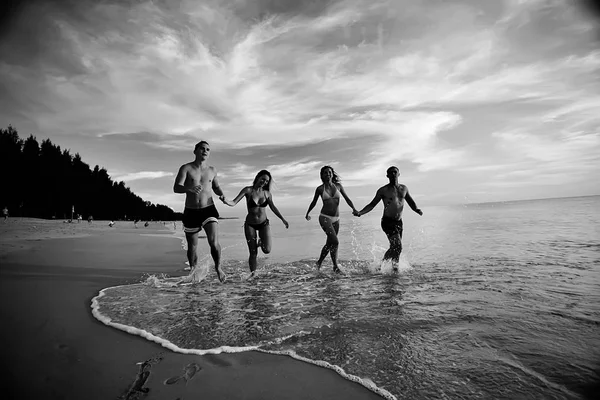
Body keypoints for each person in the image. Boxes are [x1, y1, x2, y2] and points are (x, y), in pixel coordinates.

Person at [173, 140, 227, 283]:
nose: (205, 151)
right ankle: (193, 272)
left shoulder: (212, 170)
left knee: (213, 242)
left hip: (209, 209)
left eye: (208, 149)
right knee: (192, 246)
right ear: (195, 151)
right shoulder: (186, 168)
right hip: (191, 211)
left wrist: (221, 194)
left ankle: (218, 268)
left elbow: (216, 187)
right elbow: (176, 187)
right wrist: (188, 188)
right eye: (202, 148)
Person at [220, 170, 289, 277]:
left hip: (264, 224)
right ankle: (253, 274)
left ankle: (260, 242)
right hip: (250, 225)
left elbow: (273, 207)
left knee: (267, 250)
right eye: (263, 179)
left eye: (266, 181)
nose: (264, 182)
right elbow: (233, 202)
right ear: (257, 177)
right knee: (253, 253)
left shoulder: (267, 194)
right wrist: (225, 200)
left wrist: (283, 219)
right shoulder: (248, 190)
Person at [354, 166, 423, 270]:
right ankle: (388, 267)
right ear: (387, 176)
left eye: (395, 172)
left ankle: (392, 268)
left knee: (396, 248)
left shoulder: (404, 188)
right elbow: (372, 204)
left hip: (399, 222)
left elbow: (410, 201)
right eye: (390, 173)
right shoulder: (383, 190)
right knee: (398, 246)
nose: (393, 174)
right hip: (387, 222)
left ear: (399, 174)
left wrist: (416, 209)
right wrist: (360, 212)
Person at [305, 166, 358, 273]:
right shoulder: (320, 189)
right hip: (325, 217)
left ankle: (319, 262)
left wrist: (354, 209)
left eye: (329, 172)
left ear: (332, 174)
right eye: (325, 173)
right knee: (335, 241)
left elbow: (347, 199)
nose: (327, 174)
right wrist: (308, 213)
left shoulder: (338, 186)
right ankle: (335, 266)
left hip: (336, 218)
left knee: (330, 243)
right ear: (322, 175)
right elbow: (314, 202)